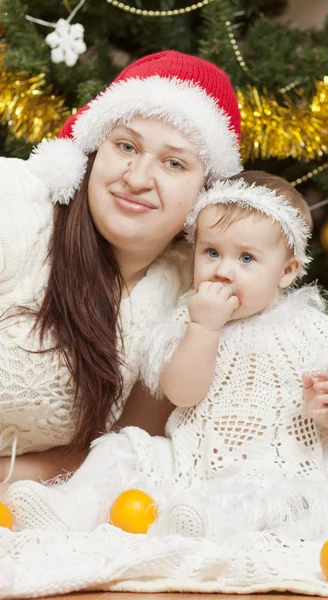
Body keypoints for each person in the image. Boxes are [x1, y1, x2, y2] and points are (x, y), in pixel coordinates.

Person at [6, 171, 328, 548]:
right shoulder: (190, 318)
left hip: (277, 472)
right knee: (122, 446)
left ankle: (204, 521)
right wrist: (204, 329)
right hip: (187, 463)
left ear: (287, 271)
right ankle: (73, 507)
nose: (224, 271)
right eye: (212, 252)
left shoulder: (307, 326)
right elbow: (183, 392)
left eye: (246, 259)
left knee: (283, 503)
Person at [0, 49, 242, 494]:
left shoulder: (186, 297)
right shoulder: (16, 210)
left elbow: (109, 453)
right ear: (93, 152)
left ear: (205, 195)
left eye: (174, 163)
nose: (136, 178)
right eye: (126, 146)